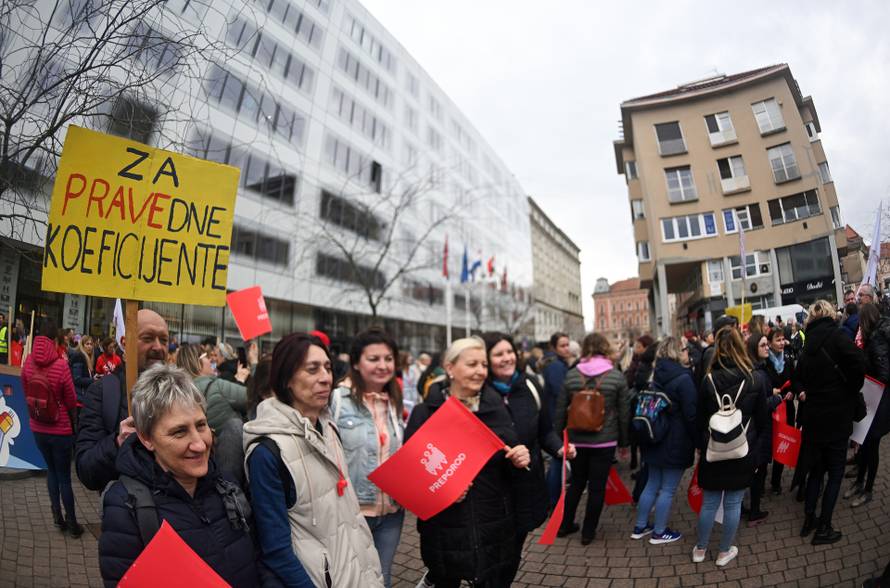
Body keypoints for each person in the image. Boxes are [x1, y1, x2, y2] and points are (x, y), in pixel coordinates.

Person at [243, 333, 383, 587]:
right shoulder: (267, 452)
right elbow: (276, 550)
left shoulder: (329, 428)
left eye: (328, 368)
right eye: (312, 369)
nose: (325, 378)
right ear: (286, 379)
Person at [98, 364, 258, 586]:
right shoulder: (126, 508)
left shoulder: (226, 487)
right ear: (147, 438)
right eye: (179, 432)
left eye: (201, 425)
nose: (200, 445)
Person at [406, 337, 530, 588]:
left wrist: (518, 458)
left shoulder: (495, 408)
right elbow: (411, 475)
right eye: (472, 364)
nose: (480, 371)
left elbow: (508, 457)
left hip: (492, 522)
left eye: (484, 365)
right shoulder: (425, 413)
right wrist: (445, 490)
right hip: (444, 527)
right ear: (450, 368)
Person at [481, 331, 572, 579]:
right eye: (498, 354)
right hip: (491, 495)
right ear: (486, 359)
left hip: (525, 489)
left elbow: (545, 431)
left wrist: (559, 448)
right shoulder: (477, 394)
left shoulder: (530, 385)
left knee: (511, 556)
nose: (506, 358)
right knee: (489, 562)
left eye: (509, 352)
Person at [331, 328, 405, 588]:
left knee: (381, 578)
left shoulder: (394, 401)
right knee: (349, 581)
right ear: (355, 363)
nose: (383, 366)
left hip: (392, 513)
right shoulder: (336, 400)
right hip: (352, 514)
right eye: (373, 359)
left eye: (388, 359)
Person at [693, 326, 768, 567]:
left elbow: (699, 419)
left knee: (710, 502)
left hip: (713, 449)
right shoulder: (755, 378)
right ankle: (724, 552)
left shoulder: (708, 380)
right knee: (734, 502)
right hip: (742, 448)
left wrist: (702, 445)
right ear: (741, 346)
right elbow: (763, 418)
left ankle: (701, 549)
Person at [795, 300, 866, 545]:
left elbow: (800, 378)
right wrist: (851, 387)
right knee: (835, 472)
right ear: (828, 314)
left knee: (816, 470)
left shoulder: (806, 347)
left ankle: (809, 519)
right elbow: (860, 364)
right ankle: (824, 527)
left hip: (814, 418)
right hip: (837, 416)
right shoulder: (837, 337)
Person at [76, 309, 169, 491]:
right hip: (127, 511)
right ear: (125, 343)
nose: (158, 347)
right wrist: (117, 442)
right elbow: (86, 470)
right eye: (148, 338)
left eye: (164, 340)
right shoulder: (102, 391)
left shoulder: (179, 391)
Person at [555, 332, 630, 545]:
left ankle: (565, 524)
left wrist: (560, 439)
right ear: (605, 348)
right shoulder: (616, 376)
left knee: (577, 482)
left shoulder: (571, 375)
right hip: (604, 441)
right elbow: (624, 413)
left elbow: (560, 410)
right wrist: (624, 443)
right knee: (597, 487)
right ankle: (588, 532)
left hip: (577, 441)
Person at [631, 336, 697, 544]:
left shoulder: (655, 374)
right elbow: (691, 416)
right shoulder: (684, 378)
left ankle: (640, 527)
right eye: (685, 349)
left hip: (654, 437)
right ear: (678, 352)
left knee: (651, 484)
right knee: (667, 489)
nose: (689, 352)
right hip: (675, 442)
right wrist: (699, 443)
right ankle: (659, 532)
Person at [22, 319, 83, 537]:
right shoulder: (60, 365)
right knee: (64, 477)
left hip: (38, 427)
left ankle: (57, 516)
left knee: (52, 472)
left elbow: (26, 389)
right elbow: (71, 399)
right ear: (55, 339)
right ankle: (73, 524)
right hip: (60, 430)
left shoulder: (28, 362)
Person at [176, 343, 249, 485]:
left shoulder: (179, 392)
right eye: (207, 358)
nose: (212, 361)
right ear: (197, 363)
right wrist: (240, 381)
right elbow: (251, 398)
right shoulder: (217, 385)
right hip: (229, 464)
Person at [846, 303, 890, 507]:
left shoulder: (876, 340)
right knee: (863, 444)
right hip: (873, 399)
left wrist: (867, 378)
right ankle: (859, 482)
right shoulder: (874, 337)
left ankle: (868, 489)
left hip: (878, 401)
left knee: (870, 446)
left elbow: (884, 373)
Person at [745, 334, 782, 524]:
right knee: (758, 469)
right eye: (763, 345)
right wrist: (776, 398)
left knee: (758, 468)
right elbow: (758, 404)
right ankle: (754, 511)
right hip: (759, 428)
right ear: (754, 348)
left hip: (759, 428)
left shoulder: (759, 368)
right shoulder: (756, 373)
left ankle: (752, 506)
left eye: (767, 344)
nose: (767, 348)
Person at [762, 328, 794, 494]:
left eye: (783, 339)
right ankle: (761, 480)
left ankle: (776, 482)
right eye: (777, 340)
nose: (781, 343)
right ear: (769, 343)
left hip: (787, 407)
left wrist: (793, 391)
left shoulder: (788, 357)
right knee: (769, 444)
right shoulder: (765, 362)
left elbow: (795, 379)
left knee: (783, 443)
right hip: (771, 408)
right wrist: (772, 392)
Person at [69, 335, 95, 404]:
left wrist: (94, 377)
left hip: (84, 397)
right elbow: (77, 379)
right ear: (82, 345)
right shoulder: (79, 357)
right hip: (78, 398)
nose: (89, 346)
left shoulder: (88, 359)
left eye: (91, 344)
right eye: (87, 344)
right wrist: (93, 380)